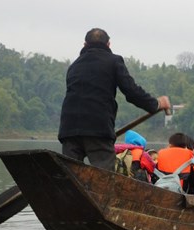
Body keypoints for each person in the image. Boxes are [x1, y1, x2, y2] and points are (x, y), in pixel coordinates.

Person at [58, 28, 171, 171]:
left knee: (69, 178)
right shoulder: (113, 61)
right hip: (98, 128)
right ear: (108, 44)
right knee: (105, 179)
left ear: (85, 44)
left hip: (69, 130)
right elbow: (131, 91)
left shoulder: (74, 66)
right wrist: (156, 104)